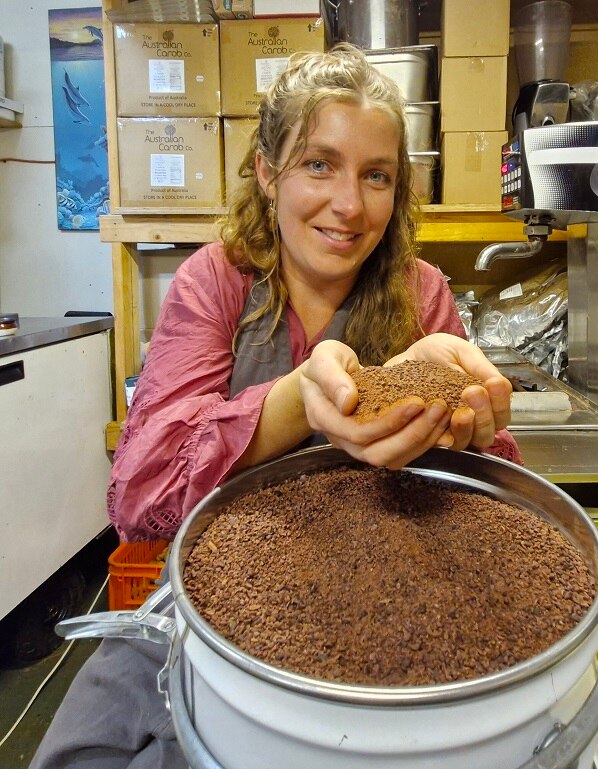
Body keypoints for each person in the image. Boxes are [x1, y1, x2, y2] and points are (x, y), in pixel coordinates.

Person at [29, 45, 518, 769]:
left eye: (376, 175)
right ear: (267, 172)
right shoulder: (218, 283)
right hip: (211, 586)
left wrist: (471, 432)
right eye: (318, 164)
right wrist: (298, 403)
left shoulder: (421, 294)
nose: (349, 205)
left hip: (379, 587)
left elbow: (486, 492)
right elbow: (139, 497)